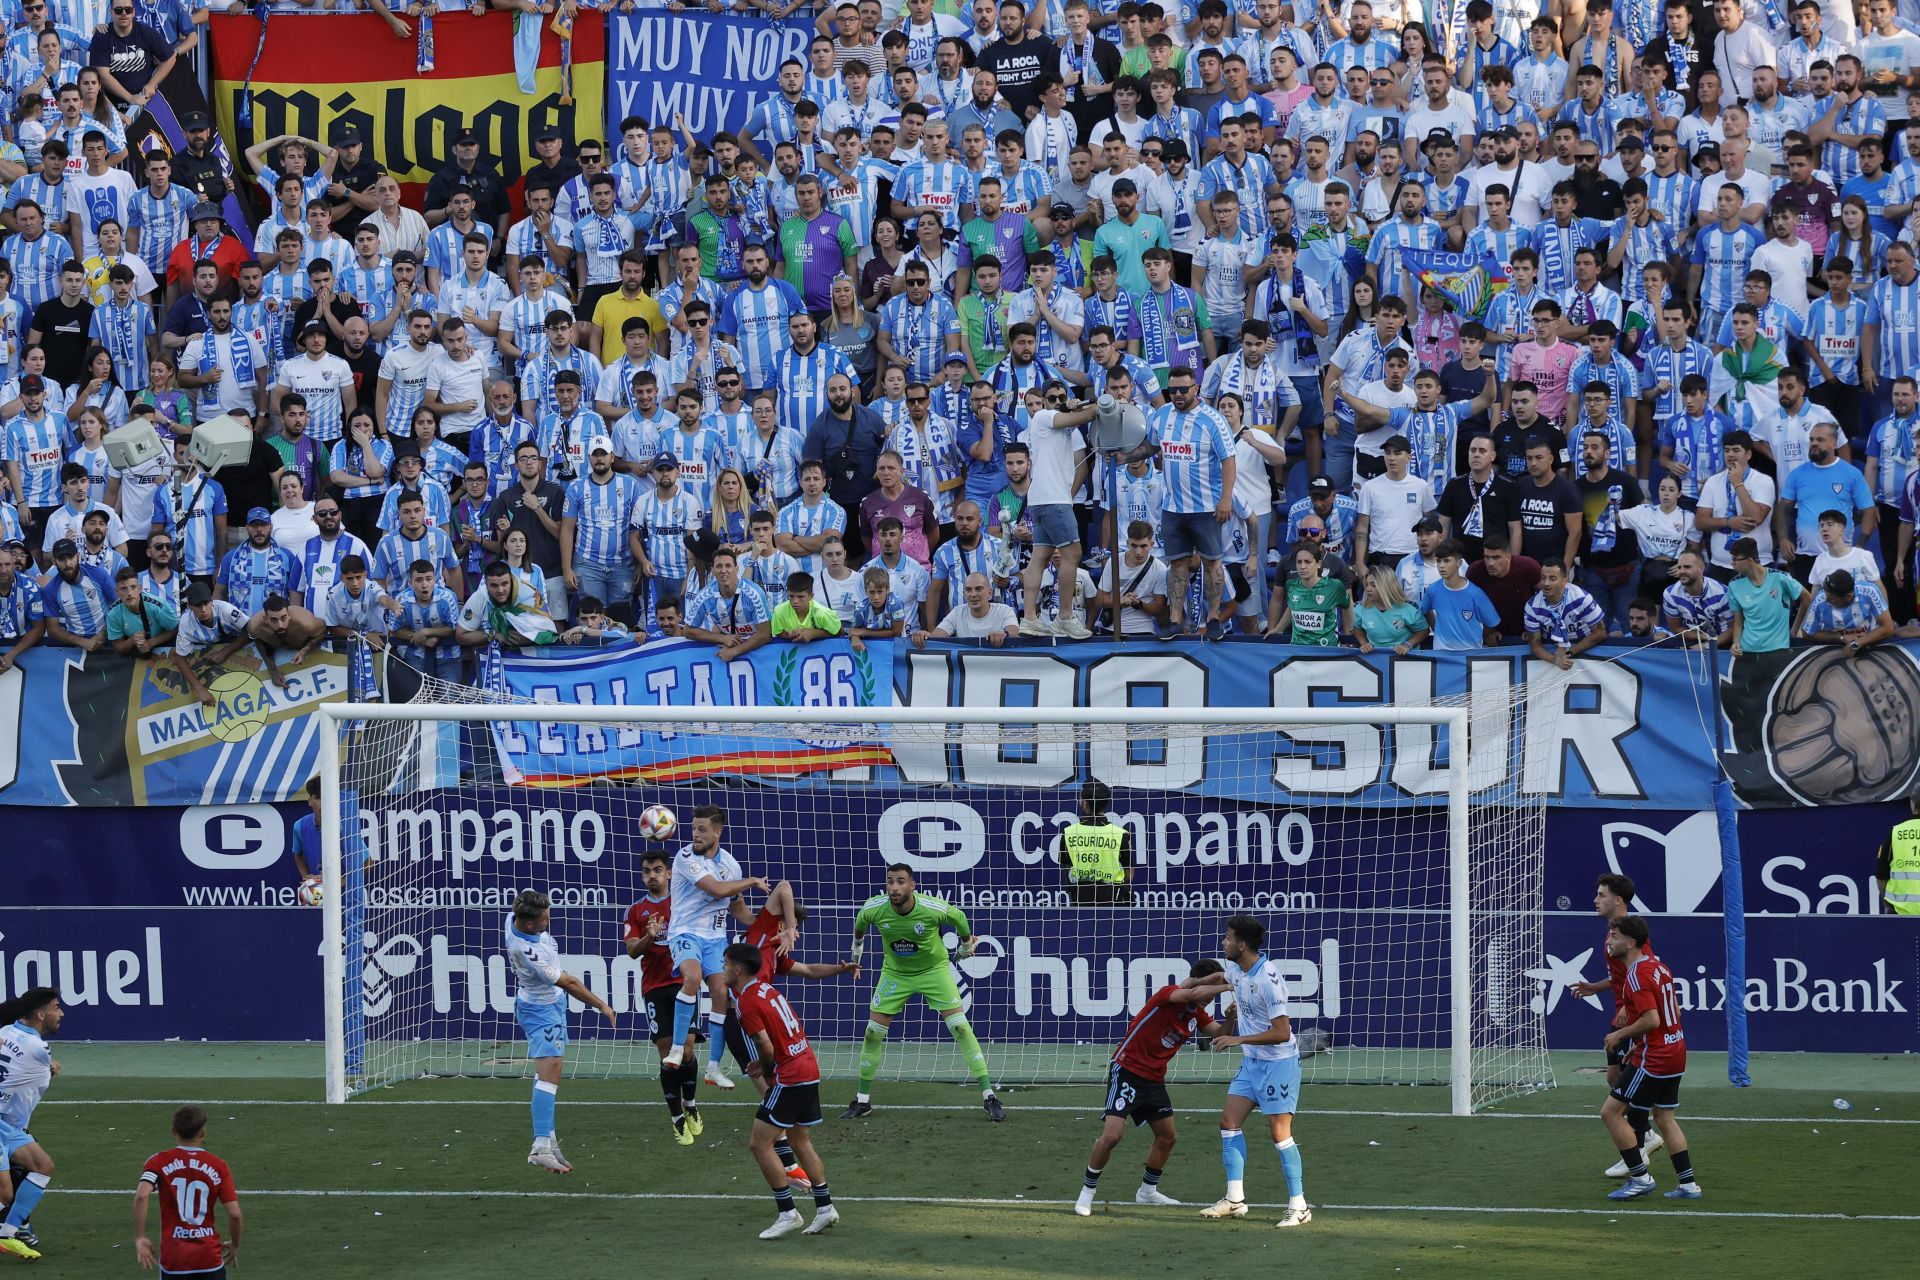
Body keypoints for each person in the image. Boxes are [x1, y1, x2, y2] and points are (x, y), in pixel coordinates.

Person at [843, 862, 1004, 1121]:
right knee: (872, 1033)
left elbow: (960, 919)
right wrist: (856, 953)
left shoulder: (931, 907)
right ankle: (862, 1101)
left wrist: (965, 948)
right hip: (895, 974)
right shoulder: (875, 908)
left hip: (933, 971)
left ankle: (989, 1096)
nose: (894, 887)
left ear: (912, 885)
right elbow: (860, 924)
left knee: (961, 1028)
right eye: (890, 881)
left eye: (901, 881)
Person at [1073, 957, 1229, 1216]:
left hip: (1154, 1079)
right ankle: (1086, 1193)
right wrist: (1227, 984)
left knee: (1168, 1136)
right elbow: (1196, 990)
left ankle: (1147, 1191)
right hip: (1127, 1070)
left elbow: (1221, 1033)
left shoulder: (1198, 1014)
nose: (1209, 999)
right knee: (1112, 1136)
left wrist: (1231, 1019)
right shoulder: (1168, 994)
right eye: (1211, 988)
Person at [723, 941, 840, 1240]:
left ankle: (788, 1212)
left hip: (789, 1076)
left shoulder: (746, 1001)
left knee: (759, 1144)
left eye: (725, 965)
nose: (722, 970)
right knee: (801, 1141)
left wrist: (763, 1066)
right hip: (808, 1066)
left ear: (737, 969)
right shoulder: (764, 988)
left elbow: (764, 1043)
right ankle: (825, 1208)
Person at [1199, 914, 1310, 1228]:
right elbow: (1222, 979)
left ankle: (1299, 1206)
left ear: (1242, 944)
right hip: (1252, 1064)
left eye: (1228, 937)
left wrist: (1238, 1038)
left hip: (1278, 1065)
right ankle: (1235, 1199)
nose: (1224, 941)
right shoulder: (1237, 968)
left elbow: (1282, 1032)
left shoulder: (1268, 979)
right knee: (1229, 1121)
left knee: (1280, 1134)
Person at [506, 889, 616, 1175]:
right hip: (542, 1013)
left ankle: (548, 1138)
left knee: (547, 1074)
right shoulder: (532, 953)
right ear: (530, 925)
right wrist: (602, 1005)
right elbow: (570, 983)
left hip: (540, 1007)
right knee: (551, 1075)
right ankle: (540, 1147)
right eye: (545, 917)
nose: (549, 918)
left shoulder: (514, 919)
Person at [660, 806, 766, 1092]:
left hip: (716, 938)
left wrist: (763, 925)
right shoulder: (684, 857)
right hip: (686, 933)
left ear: (717, 832)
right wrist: (754, 881)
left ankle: (714, 1068)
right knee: (692, 978)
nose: (695, 834)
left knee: (722, 993)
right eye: (693, 828)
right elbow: (717, 890)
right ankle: (677, 1049)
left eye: (702, 829)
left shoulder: (731, 865)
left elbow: (737, 908)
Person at [1600, 915, 1700, 1202]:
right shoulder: (1659, 968)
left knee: (1611, 1112)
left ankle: (1640, 1177)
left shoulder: (1635, 976)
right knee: (1664, 1117)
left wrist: (1621, 1036)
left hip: (1655, 1056)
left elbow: (1652, 1019)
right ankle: (1688, 1184)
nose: (1610, 941)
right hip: (1675, 1049)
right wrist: (1639, 1042)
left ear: (1631, 943)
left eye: (1615, 937)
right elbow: (1674, 1013)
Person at [132, 1103, 242, 1276]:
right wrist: (234, 1244)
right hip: (209, 1259)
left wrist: (140, 1237)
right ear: (202, 1132)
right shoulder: (219, 1166)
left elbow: (141, 1196)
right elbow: (235, 1214)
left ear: (174, 1131)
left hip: (175, 1260)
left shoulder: (158, 1162)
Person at [0, 987, 62, 1261]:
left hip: (9, 1124)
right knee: (4, 1193)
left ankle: (8, 1233)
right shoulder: (39, 1048)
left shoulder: (6, 1032)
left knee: (43, 1165)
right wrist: (50, 1067)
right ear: (40, 1014)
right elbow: (44, 1064)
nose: (61, 1013)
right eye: (56, 1007)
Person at [1060, 779, 1133, 905]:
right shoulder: (1121, 834)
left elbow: (1068, 868)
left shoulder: (1068, 833)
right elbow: (1129, 872)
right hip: (1114, 900)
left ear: (1085, 804)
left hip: (1080, 899)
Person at [1727, 536, 1804, 655]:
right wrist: (1736, 642)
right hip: (1748, 651)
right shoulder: (1733, 585)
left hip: (1778, 650)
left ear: (1749, 561)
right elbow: (1738, 620)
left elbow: (1807, 599)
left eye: (1735, 559)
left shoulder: (1780, 578)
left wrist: (1795, 628)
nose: (1732, 564)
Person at [1421, 538, 1501, 650]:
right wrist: (1437, 629)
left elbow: (1492, 622)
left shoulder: (1475, 593)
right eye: (1438, 561)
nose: (1441, 566)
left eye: (1446, 561)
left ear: (1459, 563)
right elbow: (1425, 610)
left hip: (1469, 656)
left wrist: (1479, 638)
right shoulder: (1433, 590)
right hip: (1441, 655)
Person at [912, 569, 1019, 645]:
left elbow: (1014, 633)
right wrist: (924, 635)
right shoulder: (957, 612)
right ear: (964, 594)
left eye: (978, 589)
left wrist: (1004, 634)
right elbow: (936, 637)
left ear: (990, 593)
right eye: (968, 590)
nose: (973, 594)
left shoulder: (1004, 610)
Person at [1800, 569, 1896, 651]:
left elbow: (1888, 627)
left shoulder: (1870, 592)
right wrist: (1840, 637)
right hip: (1834, 648)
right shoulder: (1820, 600)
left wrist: (1857, 643)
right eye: (1826, 594)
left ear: (1848, 596)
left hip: (1870, 645)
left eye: (1832, 598)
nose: (1826, 600)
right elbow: (1807, 633)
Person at [771, 571, 844, 642]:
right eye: (791, 596)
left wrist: (813, 633)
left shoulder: (822, 613)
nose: (795, 601)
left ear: (811, 596)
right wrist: (789, 635)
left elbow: (839, 632)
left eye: (800, 596)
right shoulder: (779, 611)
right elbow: (778, 633)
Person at [1876, 797, 1920, 915]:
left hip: (1900, 914)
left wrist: (1887, 903)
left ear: (1912, 804)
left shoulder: (1896, 832)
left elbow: (1881, 874)